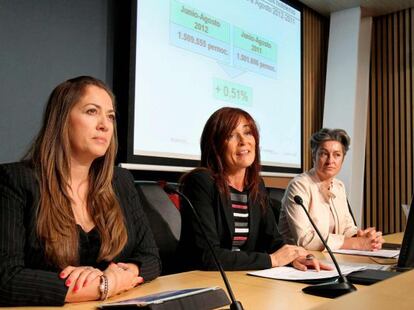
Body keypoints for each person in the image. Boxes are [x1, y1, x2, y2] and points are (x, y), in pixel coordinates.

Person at [0, 76, 161, 306]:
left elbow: (150, 257)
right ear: (62, 119)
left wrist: (122, 274)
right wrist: (104, 285)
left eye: (110, 116)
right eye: (91, 111)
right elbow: (6, 278)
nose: (105, 125)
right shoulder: (15, 180)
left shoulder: (120, 181)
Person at [178, 107, 331, 272]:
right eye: (231, 135)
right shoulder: (201, 183)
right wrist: (272, 260)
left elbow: (273, 241)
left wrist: (295, 257)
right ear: (215, 145)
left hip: (242, 277)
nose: (243, 141)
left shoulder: (256, 185)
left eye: (248, 133)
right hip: (200, 280)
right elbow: (207, 255)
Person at [279, 128, 385, 251]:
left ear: (343, 159)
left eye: (337, 155)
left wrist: (362, 237)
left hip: (331, 257)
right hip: (299, 260)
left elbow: (347, 228)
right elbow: (305, 240)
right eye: (324, 154)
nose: (330, 161)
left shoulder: (339, 186)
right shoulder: (299, 186)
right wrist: (357, 243)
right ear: (314, 156)